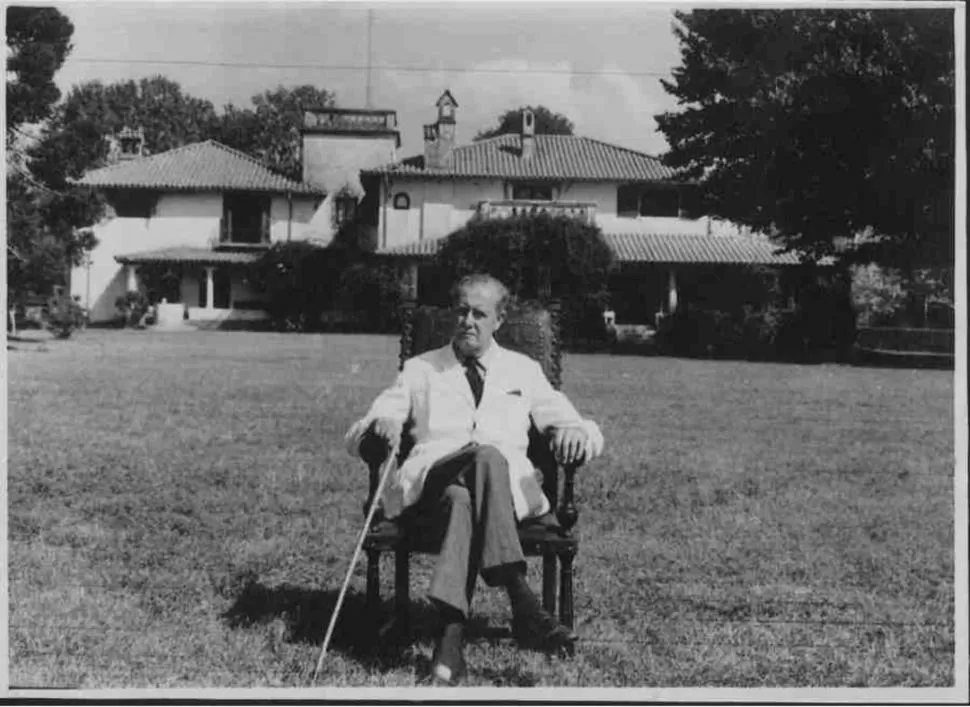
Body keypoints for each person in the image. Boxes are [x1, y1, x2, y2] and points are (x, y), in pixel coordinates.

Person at [345, 273, 604, 685]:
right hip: (430, 488)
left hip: (483, 500)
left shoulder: (524, 370)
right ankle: (521, 599)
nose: (468, 320)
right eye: (461, 310)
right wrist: (382, 425)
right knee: (484, 455)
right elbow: (359, 430)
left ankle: (449, 645)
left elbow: (583, 428)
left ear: (499, 320)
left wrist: (576, 433)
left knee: (466, 496)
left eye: (479, 313)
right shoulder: (421, 369)